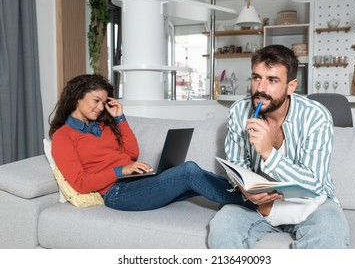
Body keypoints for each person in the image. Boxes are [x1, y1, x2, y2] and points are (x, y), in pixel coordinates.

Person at [207, 45, 349, 249]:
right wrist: (244, 189)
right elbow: (236, 165)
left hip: (311, 203)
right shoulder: (240, 111)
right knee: (223, 228)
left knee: (331, 234)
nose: (261, 88)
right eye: (256, 78)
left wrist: (268, 153)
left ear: (291, 86)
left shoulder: (316, 116)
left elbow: (315, 184)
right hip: (258, 204)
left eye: (272, 80)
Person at [48, 74, 257, 212]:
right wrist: (121, 171)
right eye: (96, 101)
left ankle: (256, 192)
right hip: (116, 193)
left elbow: (132, 153)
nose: (101, 107)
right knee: (189, 171)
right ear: (77, 98)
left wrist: (120, 118)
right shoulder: (63, 137)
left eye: (104, 102)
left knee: (202, 178)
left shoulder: (103, 126)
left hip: (136, 182)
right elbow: (81, 184)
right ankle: (259, 203)